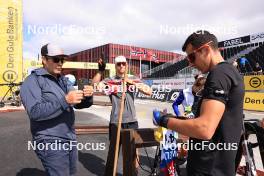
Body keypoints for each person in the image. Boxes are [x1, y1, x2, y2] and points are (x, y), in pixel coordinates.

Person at [153, 30, 245, 176]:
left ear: (206, 50)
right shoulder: (231, 72)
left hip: (208, 168)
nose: (190, 64)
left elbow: (204, 128)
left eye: (191, 57)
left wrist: (164, 121)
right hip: (219, 166)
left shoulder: (218, 74)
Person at [20, 43, 94, 176]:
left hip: (69, 138)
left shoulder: (63, 80)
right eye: (56, 59)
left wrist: (87, 96)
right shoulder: (32, 81)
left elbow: (77, 103)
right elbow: (35, 112)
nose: (60, 63)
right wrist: (65, 100)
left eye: (62, 59)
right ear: (44, 60)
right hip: (49, 140)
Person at [92, 55, 152, 175]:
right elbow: (95, 86)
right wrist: (100, 71)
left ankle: (133, 173)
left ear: (126, 65)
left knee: (133, 152)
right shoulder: (110, 80)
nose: (121, 66)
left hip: (131, 121)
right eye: (119, 64)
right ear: (115, 66)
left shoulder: (133, 78)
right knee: (113, 152)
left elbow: (149, 91)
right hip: (115, 121)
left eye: (123, 64)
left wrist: (130, 83)